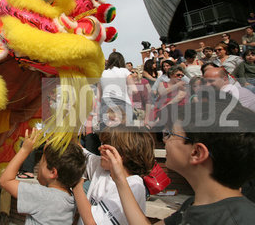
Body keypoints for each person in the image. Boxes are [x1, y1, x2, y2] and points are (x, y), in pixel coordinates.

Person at [101, 97, 255, 225]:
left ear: (197, 152)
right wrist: (120, 178)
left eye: (169, 134)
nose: (165, 141)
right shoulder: (192, 206)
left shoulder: (240, 219)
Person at [0, 128, 86, 225]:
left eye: (42, 161)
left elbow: (5, 180)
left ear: (53, 172)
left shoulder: (43, 196)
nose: (40, 164)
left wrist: (24, 150)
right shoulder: (70, 198)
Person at [73, 126, 154, 225]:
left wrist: (76, 185)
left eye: (106, 146)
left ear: (123, 154)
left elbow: (92, 222)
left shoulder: (133, 186)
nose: (99, 148)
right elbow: (81, 154)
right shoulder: (104, 168)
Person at [99, 52, 135, 123]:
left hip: (106, 105)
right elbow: (134, 90)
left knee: (107, 132)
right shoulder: (125, 71)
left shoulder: (102, 74)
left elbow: (98, 95)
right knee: (125, 131)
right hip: (123, 103)